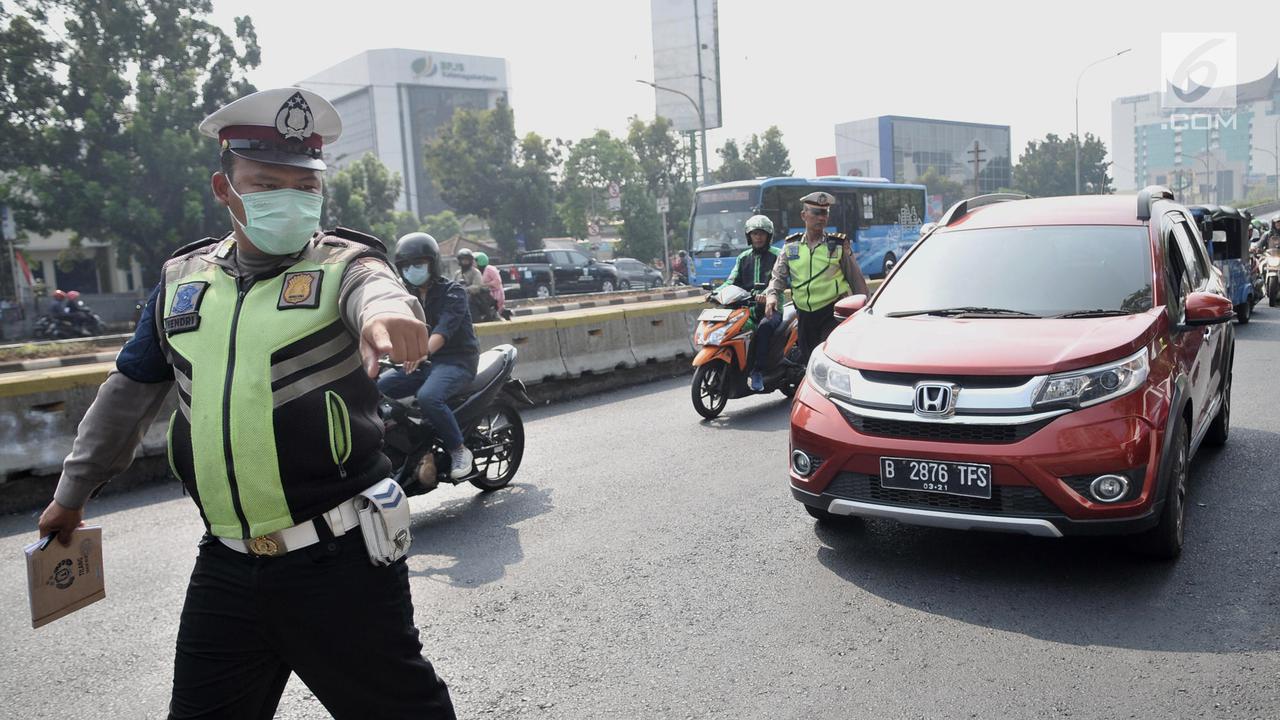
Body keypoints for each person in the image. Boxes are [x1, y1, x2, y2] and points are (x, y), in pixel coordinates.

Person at [35, 87, 457, 719]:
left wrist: (391, 316)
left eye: (303, 185)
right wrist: (71, 495)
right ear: (224, 188)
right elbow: (129, 391)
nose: (288, 198)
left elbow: (379, 293)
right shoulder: (183, 282)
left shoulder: (345, 264)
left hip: (340, 565)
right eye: (265, 182)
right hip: (227, 567)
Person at [378, 232, 480, 480]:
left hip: (456, 361)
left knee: (429, 397)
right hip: (424, 362)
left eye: (419, 264)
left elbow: (443, 331)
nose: (413, 269)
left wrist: (421, 352)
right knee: (379, 388)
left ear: (432, 263)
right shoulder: (405, 297)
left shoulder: (454, 292)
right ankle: (413, 446)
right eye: (406, 266)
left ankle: (458, 450)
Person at [765, 191, 869, 361]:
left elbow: (857, 281)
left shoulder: (837, 245)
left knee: (828, 357)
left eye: (825, 213)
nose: (822, 218)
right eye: (816, 213)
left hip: (833, 313)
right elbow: (778, 276)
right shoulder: (792, 246)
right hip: (805, 315)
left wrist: (865, 310)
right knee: (809, 360)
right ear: (803, 215)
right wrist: (772, 296)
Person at [718, 214, 780, 391]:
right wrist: (717, 292)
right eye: (754, 234)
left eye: (762, 234)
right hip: (745, 308)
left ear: (768, 236)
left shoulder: (778, 255)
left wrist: (768, 294)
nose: (758, 237)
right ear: (749, 236)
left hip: (771, 308)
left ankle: (758, 371)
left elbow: (781, 280)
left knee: (764, 328)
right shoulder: (743, 258)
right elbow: (731, 280)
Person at [474, 251, 506, 315]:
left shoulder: (490, 269)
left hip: (495, 296)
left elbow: (497, 282)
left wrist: (484, 285)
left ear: (480, 261)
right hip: (484, 296)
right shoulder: (476, 271)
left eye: (474, 261)